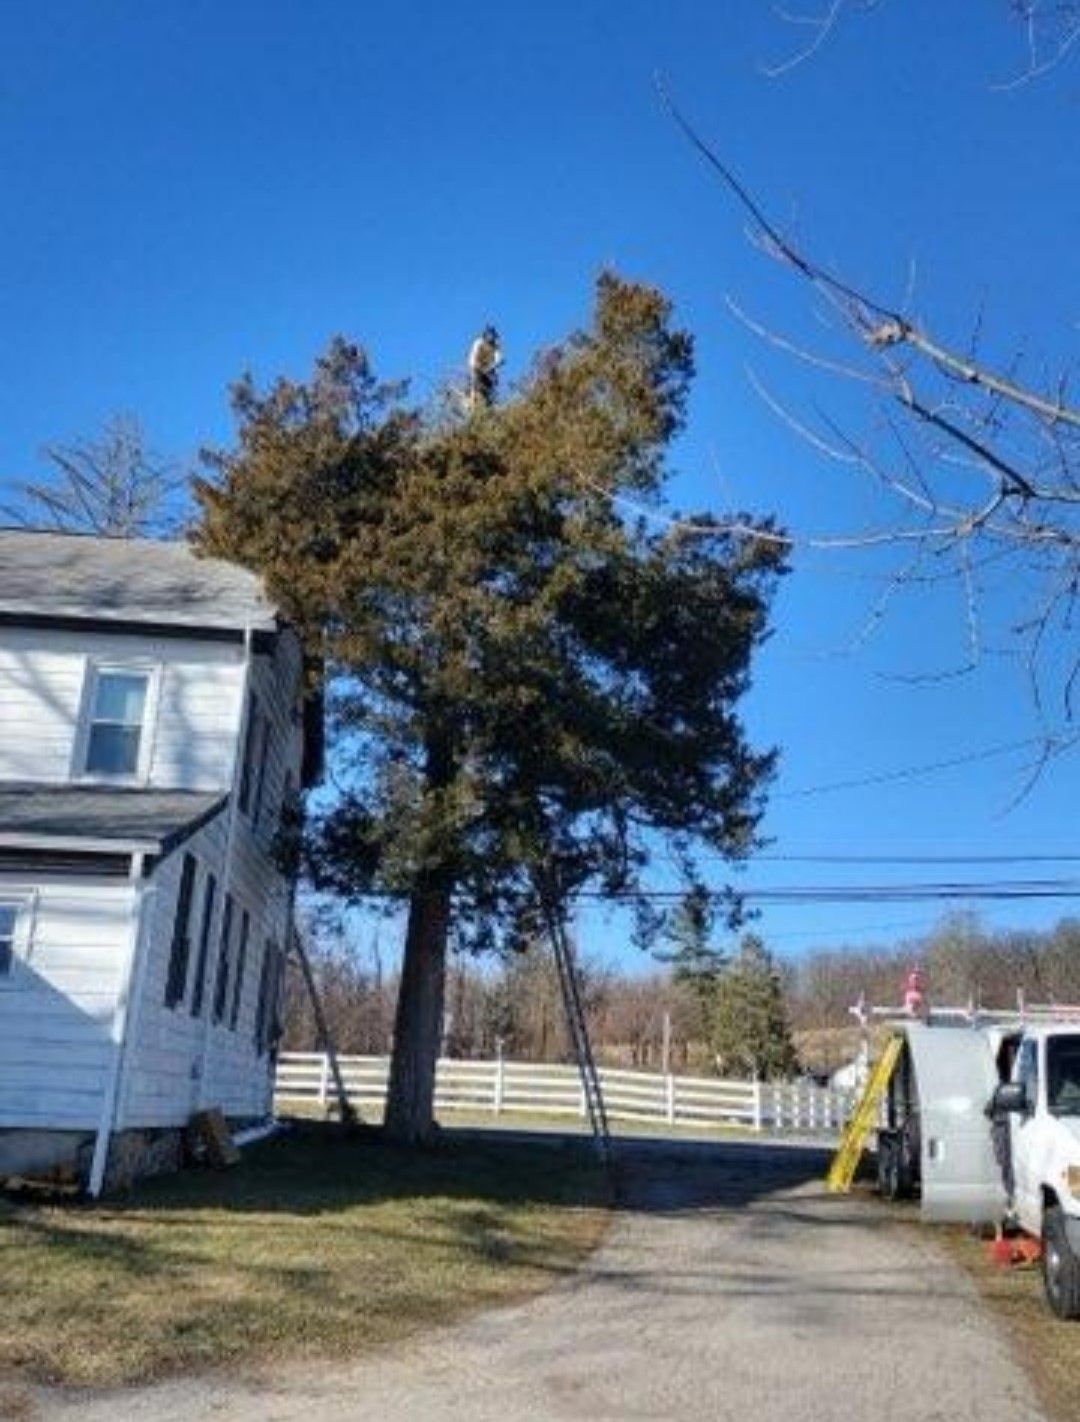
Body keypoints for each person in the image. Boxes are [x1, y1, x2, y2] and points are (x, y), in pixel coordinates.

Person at [467, 325, 502, 411]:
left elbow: (498, 358)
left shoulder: (495, 347)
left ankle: (489, 404)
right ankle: (472, 402)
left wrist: (494, 365)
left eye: (493, 336)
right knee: (475, 384)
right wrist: (474, 367)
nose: (491, 338)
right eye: (490, 335)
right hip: (477, 366)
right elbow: (473, 356)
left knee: (491, 385)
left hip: (489, 368)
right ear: (486, 335)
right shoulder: (479, 342)